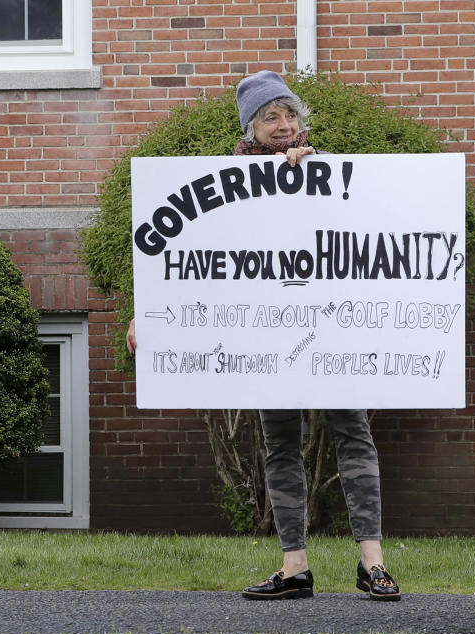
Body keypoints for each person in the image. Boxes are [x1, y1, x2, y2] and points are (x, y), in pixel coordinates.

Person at [126, 70, 400, 602]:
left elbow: (369, 232)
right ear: (251, 127)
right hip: (269, 343)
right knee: (280, 447)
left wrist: (307, 171)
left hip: (332, 337)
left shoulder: (329, 170)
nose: (284, 124)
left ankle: (374, 564)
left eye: (290, 113)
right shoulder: (221, 182)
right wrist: (148, 313)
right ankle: (294, 566)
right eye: (271, 116)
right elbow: (187, 259)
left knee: (354, 437)